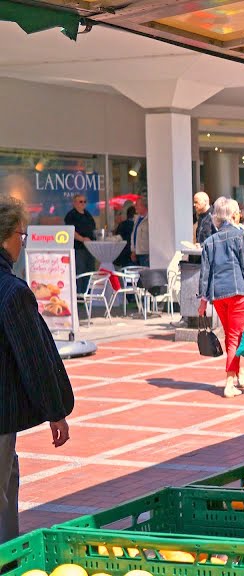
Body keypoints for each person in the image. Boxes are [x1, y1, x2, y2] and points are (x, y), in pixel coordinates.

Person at [0, 196, 74, 542]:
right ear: (7, 236)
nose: (23, 242)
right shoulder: (11, 292)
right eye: (21, 235)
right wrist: (55, 411)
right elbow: (34, 359)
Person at [197, 197, 244, 398]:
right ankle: (229, 381)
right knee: (235, 337)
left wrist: (203, 301)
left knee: (231, 335)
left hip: (218, 295)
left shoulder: (210, 241)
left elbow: (205, 273)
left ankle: (237, 374)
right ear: (233, 214)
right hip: (238, 293)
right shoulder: (241, 236)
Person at [64, 194, 96, 291]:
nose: (83, 204)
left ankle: (88, 294)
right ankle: (80, 295)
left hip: (90, 248)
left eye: (84, 202)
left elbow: (93, 228)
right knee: (80, 272)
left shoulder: (87, 214)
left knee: (89, 271)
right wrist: (82, 239)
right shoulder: (71, 215)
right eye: (80, 201)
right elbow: (70, 231)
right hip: (78, 248)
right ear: (74, 203)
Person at [129, 197, 149, 267]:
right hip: (138, 253)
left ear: (143, 206)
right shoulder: (137, 219)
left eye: (137, 205)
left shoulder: (149, 219)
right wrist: (133, 250)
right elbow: (133, 235)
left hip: (146, 254)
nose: (135, 207)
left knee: (146, 275)